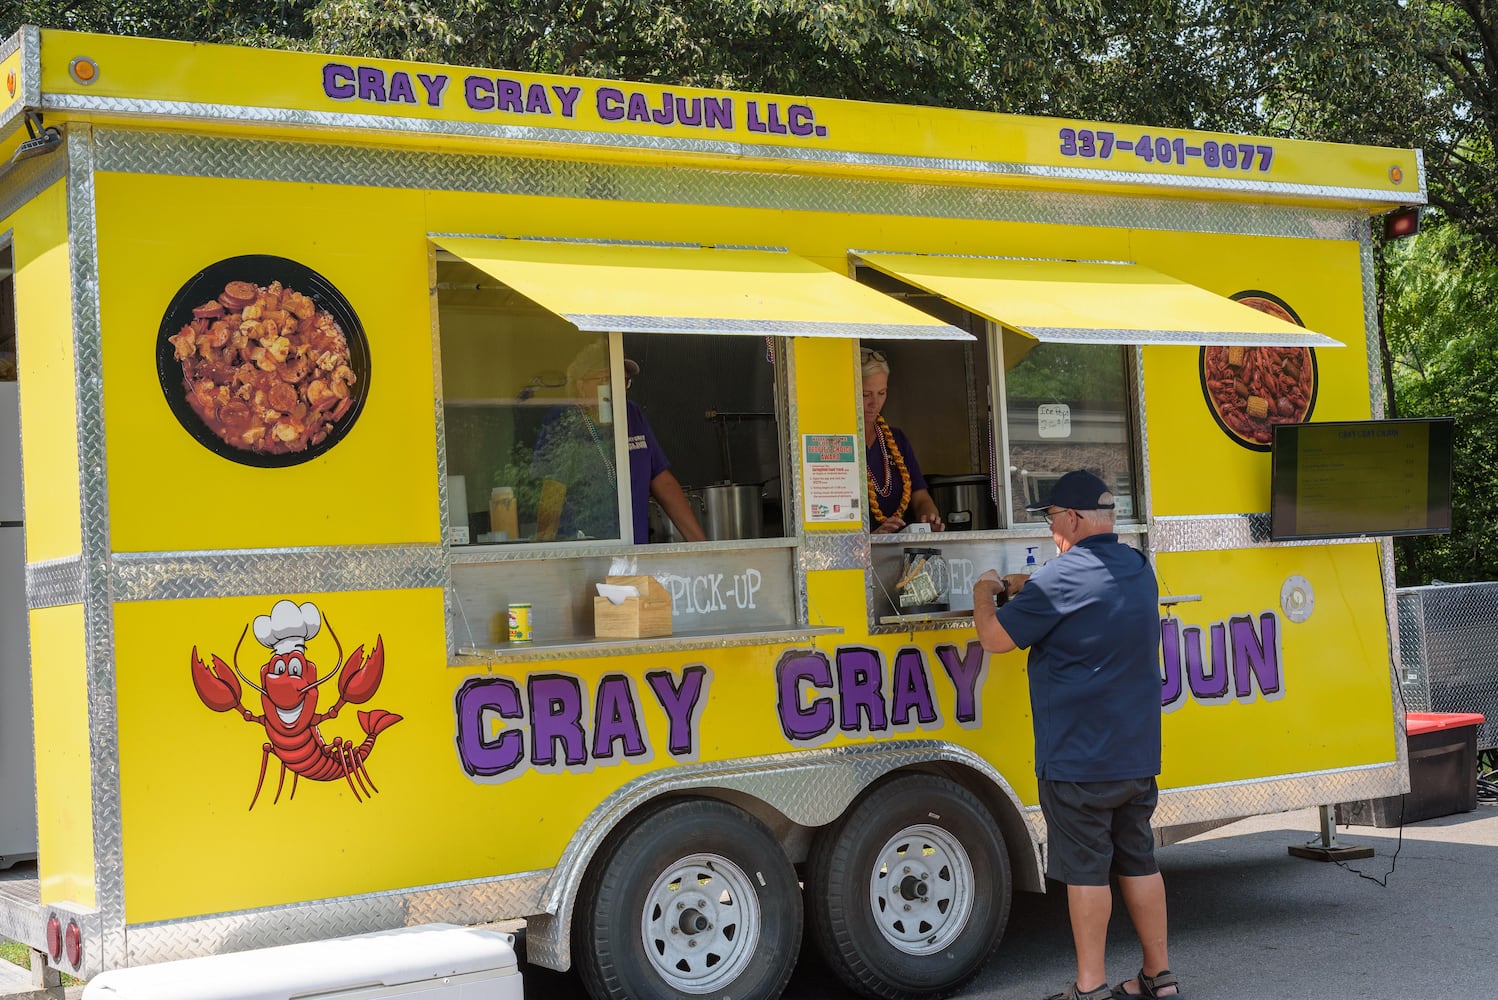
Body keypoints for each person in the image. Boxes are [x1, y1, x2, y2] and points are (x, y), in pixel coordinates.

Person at [970, 470, 1178, 1000]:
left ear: (1075, 518)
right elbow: (1082, 601)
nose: (1051, 530)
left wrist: (985, 591)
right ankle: (1160, 975)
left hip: (1078, 758)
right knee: (1138, 859)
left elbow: (995, 638)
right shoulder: (1137, 567)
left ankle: (1091, 987)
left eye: (1053, 518)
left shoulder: (1060, 580)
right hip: (1135, 754)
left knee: (1087, 872)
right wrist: (1028, 590)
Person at [534, 342, 706, 544]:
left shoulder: (631, 413)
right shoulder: (563, 420)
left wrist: (702, 546)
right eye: (607, 380)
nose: (617, 390)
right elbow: (552, 491)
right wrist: (546, 555)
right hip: (583, 553)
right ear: (581, 386)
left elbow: (662, 480)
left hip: (634, 550)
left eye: (622, 381)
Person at [861, 348, 943, 534]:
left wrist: (929, 517)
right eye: (866, 395)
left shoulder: (896, 439)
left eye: (881, 393)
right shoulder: (836, 441)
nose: (875, 403)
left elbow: (920, 496)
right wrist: (873, 538)